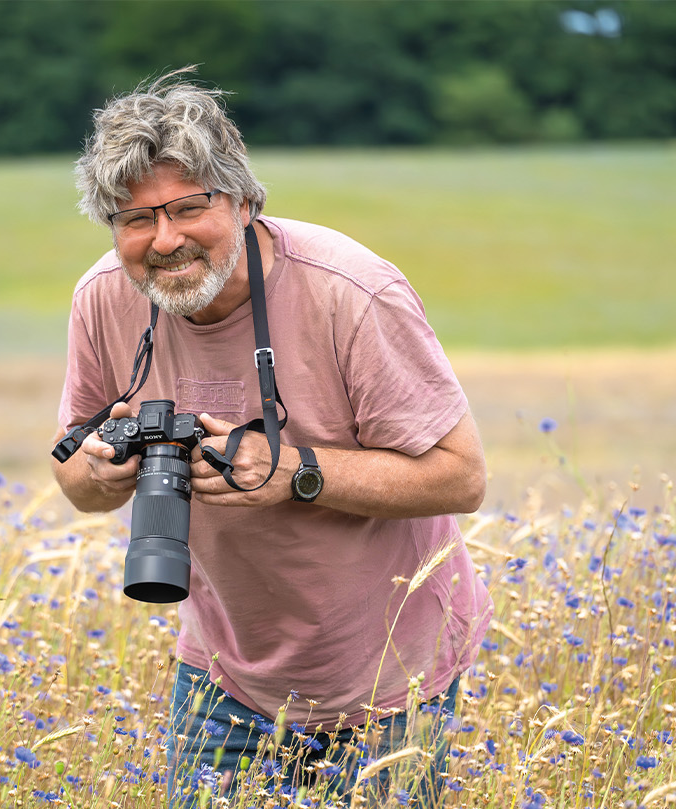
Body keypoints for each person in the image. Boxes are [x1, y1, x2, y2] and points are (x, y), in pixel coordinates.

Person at [51, 69, 493, 806]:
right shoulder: (103, 298)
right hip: (223, 673)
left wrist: (294, 472)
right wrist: (99, 475)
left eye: (189, 208)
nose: (165, 239)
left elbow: (460, 476)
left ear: (245, 201)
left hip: (389, 676)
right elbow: (72, 477)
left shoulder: (349, 291)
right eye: (135, 220)